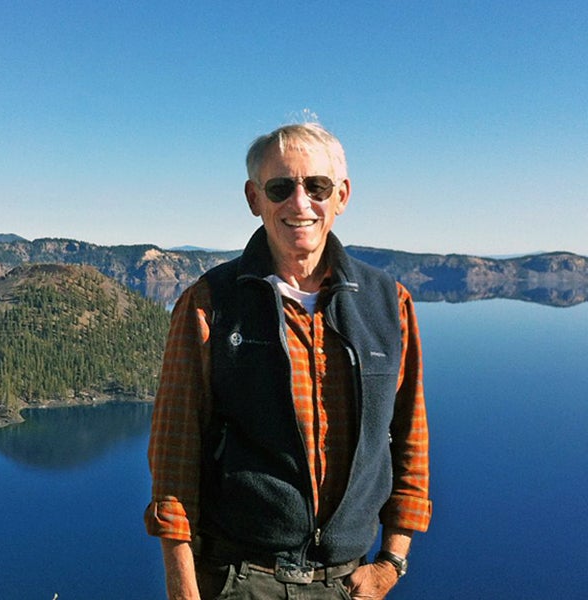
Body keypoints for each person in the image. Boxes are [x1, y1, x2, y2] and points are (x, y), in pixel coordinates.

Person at [145, 122, 431, 600]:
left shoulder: (388, 302)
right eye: (280, 187)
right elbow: (175, 454)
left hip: (349, 583)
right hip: (240, 579)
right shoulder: (209, 302)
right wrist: (183, 588)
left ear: (341, 195)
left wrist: (392, 562)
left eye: (317, 186)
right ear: (254, 198)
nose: (300, 203)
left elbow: (410, 437)